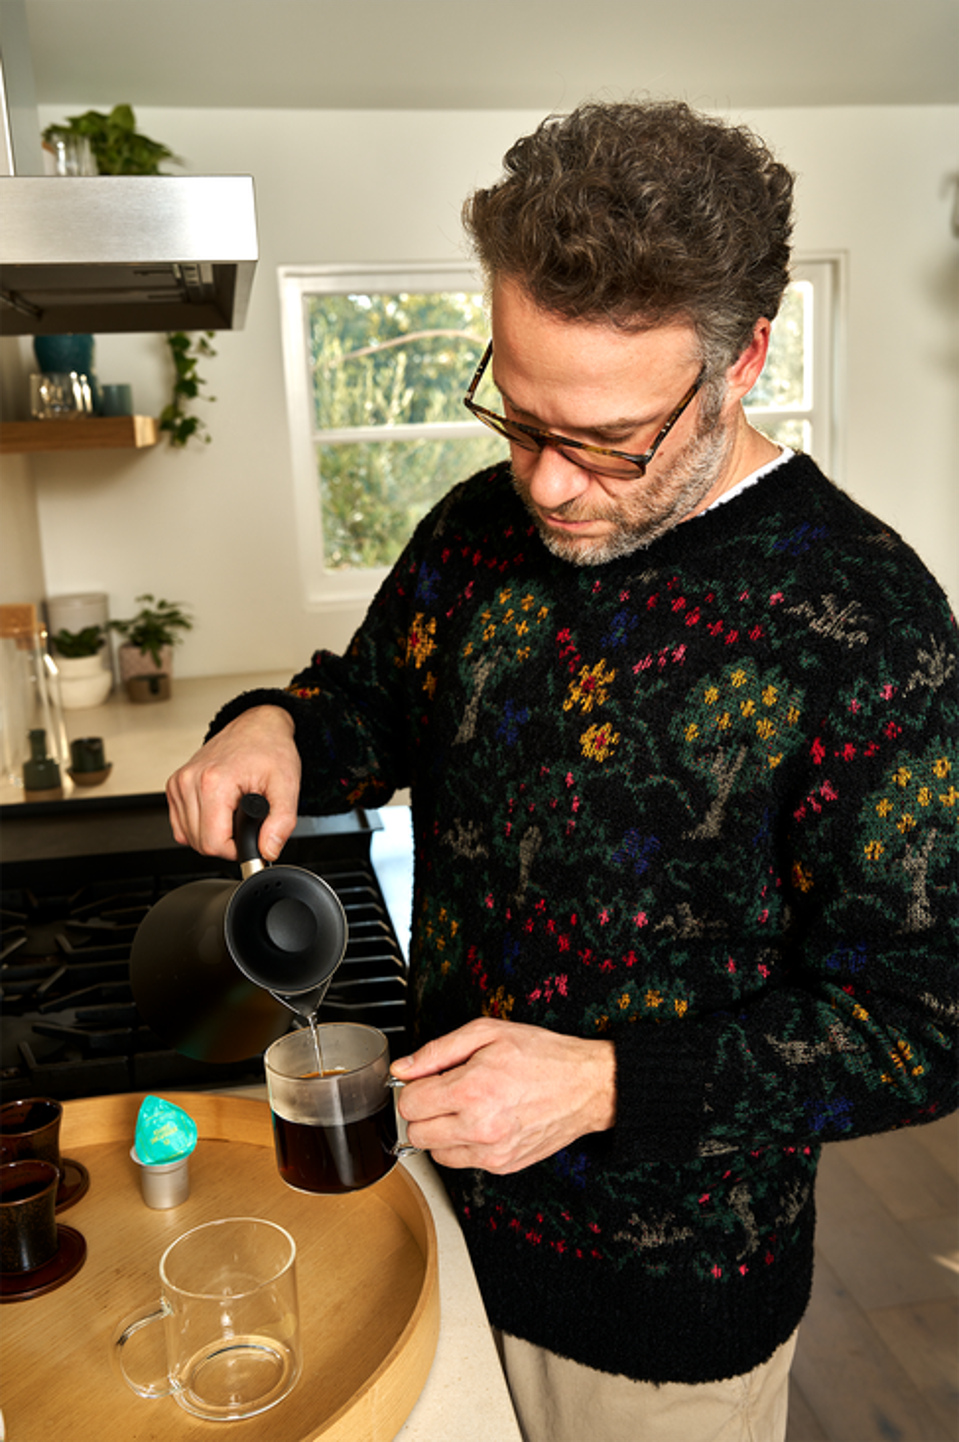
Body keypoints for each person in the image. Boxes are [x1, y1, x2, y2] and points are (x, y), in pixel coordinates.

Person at [167, 100, 959, 1442]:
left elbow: (925, 1022)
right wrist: (273, 725)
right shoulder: (477, 529)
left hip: (660, 1321)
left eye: (604, 441)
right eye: (518, 418)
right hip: (424, 1208)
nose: (544, 484)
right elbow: (371, 707)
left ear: (743, 358)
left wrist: (604, 1084)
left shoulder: (868, 622)